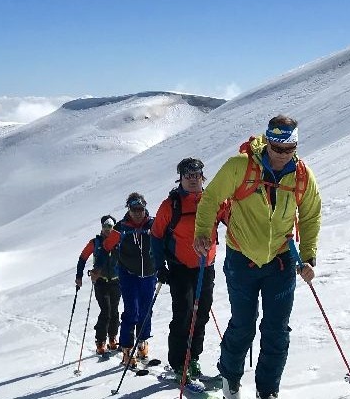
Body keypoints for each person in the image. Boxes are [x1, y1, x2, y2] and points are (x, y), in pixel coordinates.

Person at [192, 115, 321, 399]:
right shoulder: (241, 166)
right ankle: (231, 379)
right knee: (243, 325)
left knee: (277, 331)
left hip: (281, 260)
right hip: (242, 259)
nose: (282, 156)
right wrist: (202, 231)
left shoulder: (301, 175)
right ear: (268, 144)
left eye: (289, 149)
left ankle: (268, 390)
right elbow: (211, 198)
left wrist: (309, 256)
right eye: (278, 149)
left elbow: (311, 215)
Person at [151, 157, 220, 383]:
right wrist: (159, 265)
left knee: (201, 314)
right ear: (180, 178)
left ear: (202, 177)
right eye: (188, 176)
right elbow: (156, 236)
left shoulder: (213, 200)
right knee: (184, 314)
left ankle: (194, 358)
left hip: (205, 267)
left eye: (196, 175)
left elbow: (231, 219)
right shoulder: (170, 205)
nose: (193, 180)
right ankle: (179, 362)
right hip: (180, 268)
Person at [102, 192, 163, 367]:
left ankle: (142, 342)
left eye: (140, 209)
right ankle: (127, 349)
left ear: (145, 208)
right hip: (128, 274)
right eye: (134, 209)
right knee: (132, 311)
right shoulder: (121, 227)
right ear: (129, 209)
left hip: (149, 274)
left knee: (146, 310)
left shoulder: (153, 223)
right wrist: (116, 237)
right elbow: (107, 246)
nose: (137, 212)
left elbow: (165, 239)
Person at [75, 215, 122, 354]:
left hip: (116, 281)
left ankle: (112, 337)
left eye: (111, 227)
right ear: (102, 227)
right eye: (106, 226)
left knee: (114, 311)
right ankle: (100, 341)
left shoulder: (118, 241)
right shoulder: (95, 242)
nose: (108, 229)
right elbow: (83, 258)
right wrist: (79, 276)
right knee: (106, 311)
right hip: (100, 282)